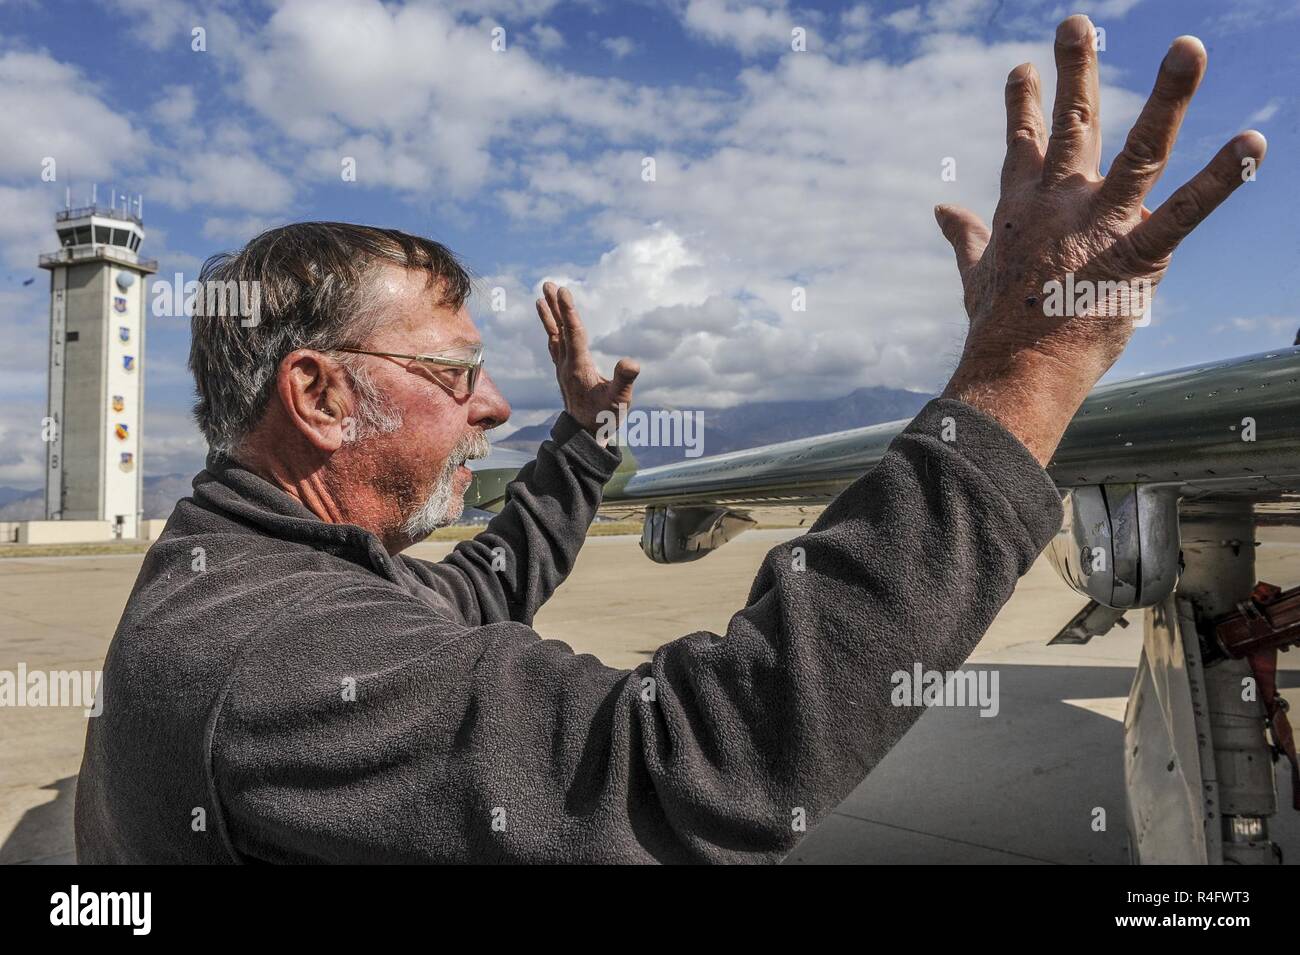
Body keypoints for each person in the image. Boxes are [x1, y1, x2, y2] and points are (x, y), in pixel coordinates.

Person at [75, 15, 1265, 863]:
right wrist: (1029, 368)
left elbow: (481, 587)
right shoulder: (275, 656)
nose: (492, 408)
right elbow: (689, 759)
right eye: (456, 374)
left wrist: (585, 437)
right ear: (322, 395)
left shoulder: (255, 575)